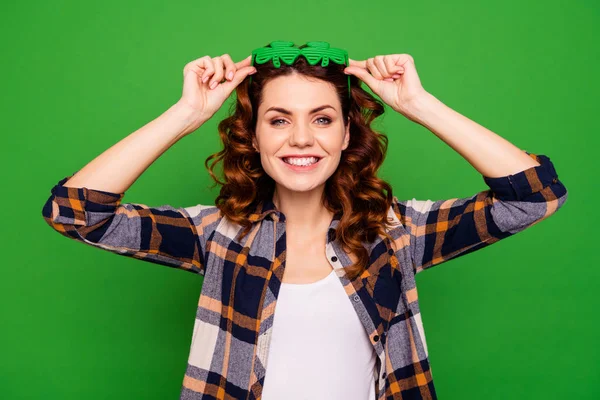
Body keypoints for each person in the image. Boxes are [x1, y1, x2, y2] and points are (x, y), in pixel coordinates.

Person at [41, 41, 568, 400]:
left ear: (345, 136)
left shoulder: (397, 231)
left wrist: (419, 104)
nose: (300, 139)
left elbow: (532, 197)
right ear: (254, 137)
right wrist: (186, 115)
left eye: (321, 119)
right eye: (278, 120)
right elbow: (75, 212)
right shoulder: (216, 235)